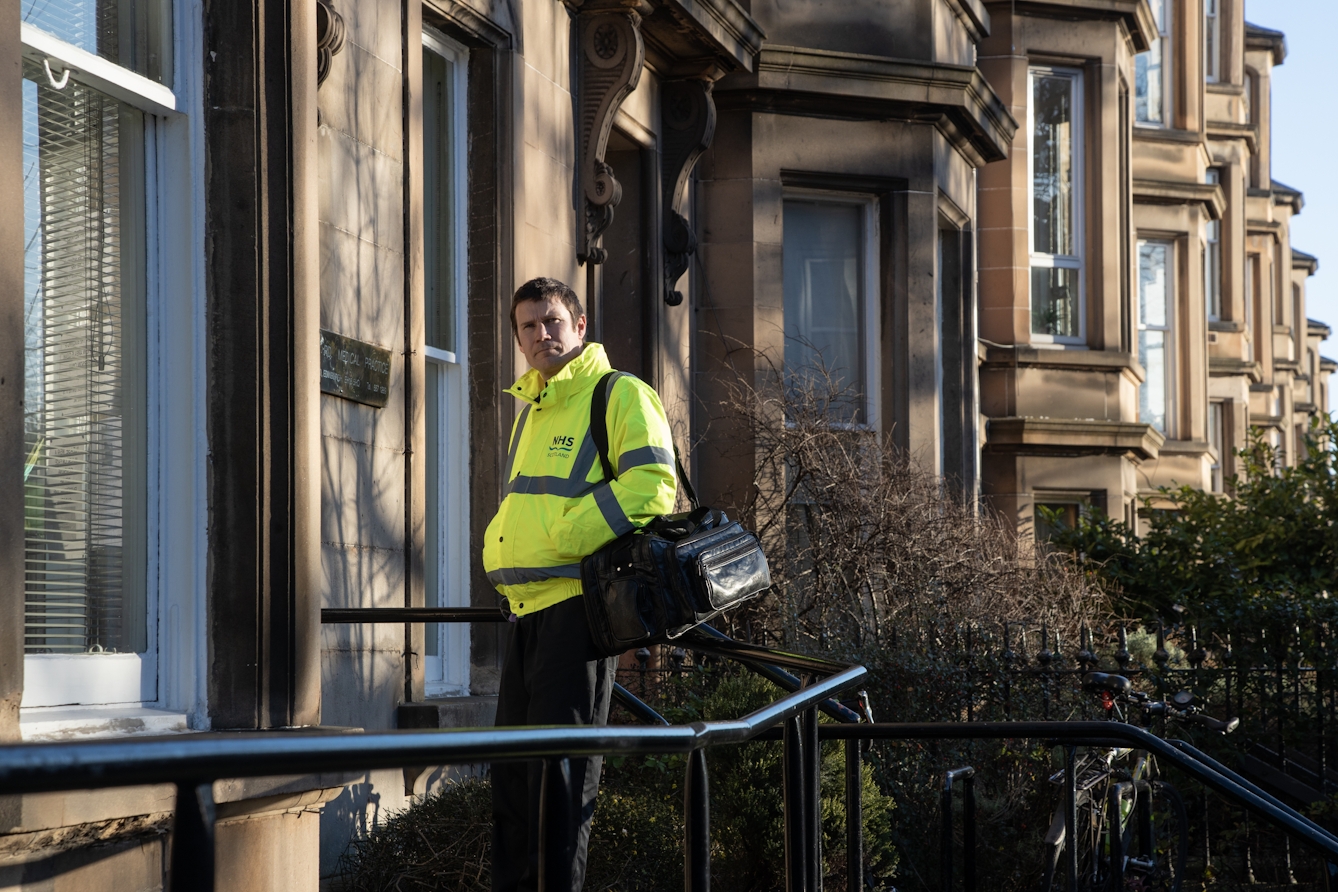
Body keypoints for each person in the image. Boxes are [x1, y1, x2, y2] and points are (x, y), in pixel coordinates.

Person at [483, 277, 677, 892]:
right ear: (518, 338)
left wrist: (566, 536)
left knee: (560, 789)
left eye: (552, 321)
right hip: (528, 613)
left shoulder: (619, 393)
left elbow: (652, 488)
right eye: (528, 326)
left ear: (581, 325)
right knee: (513, 785)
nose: (542, 334)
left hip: (579, 615)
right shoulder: (532, 410)